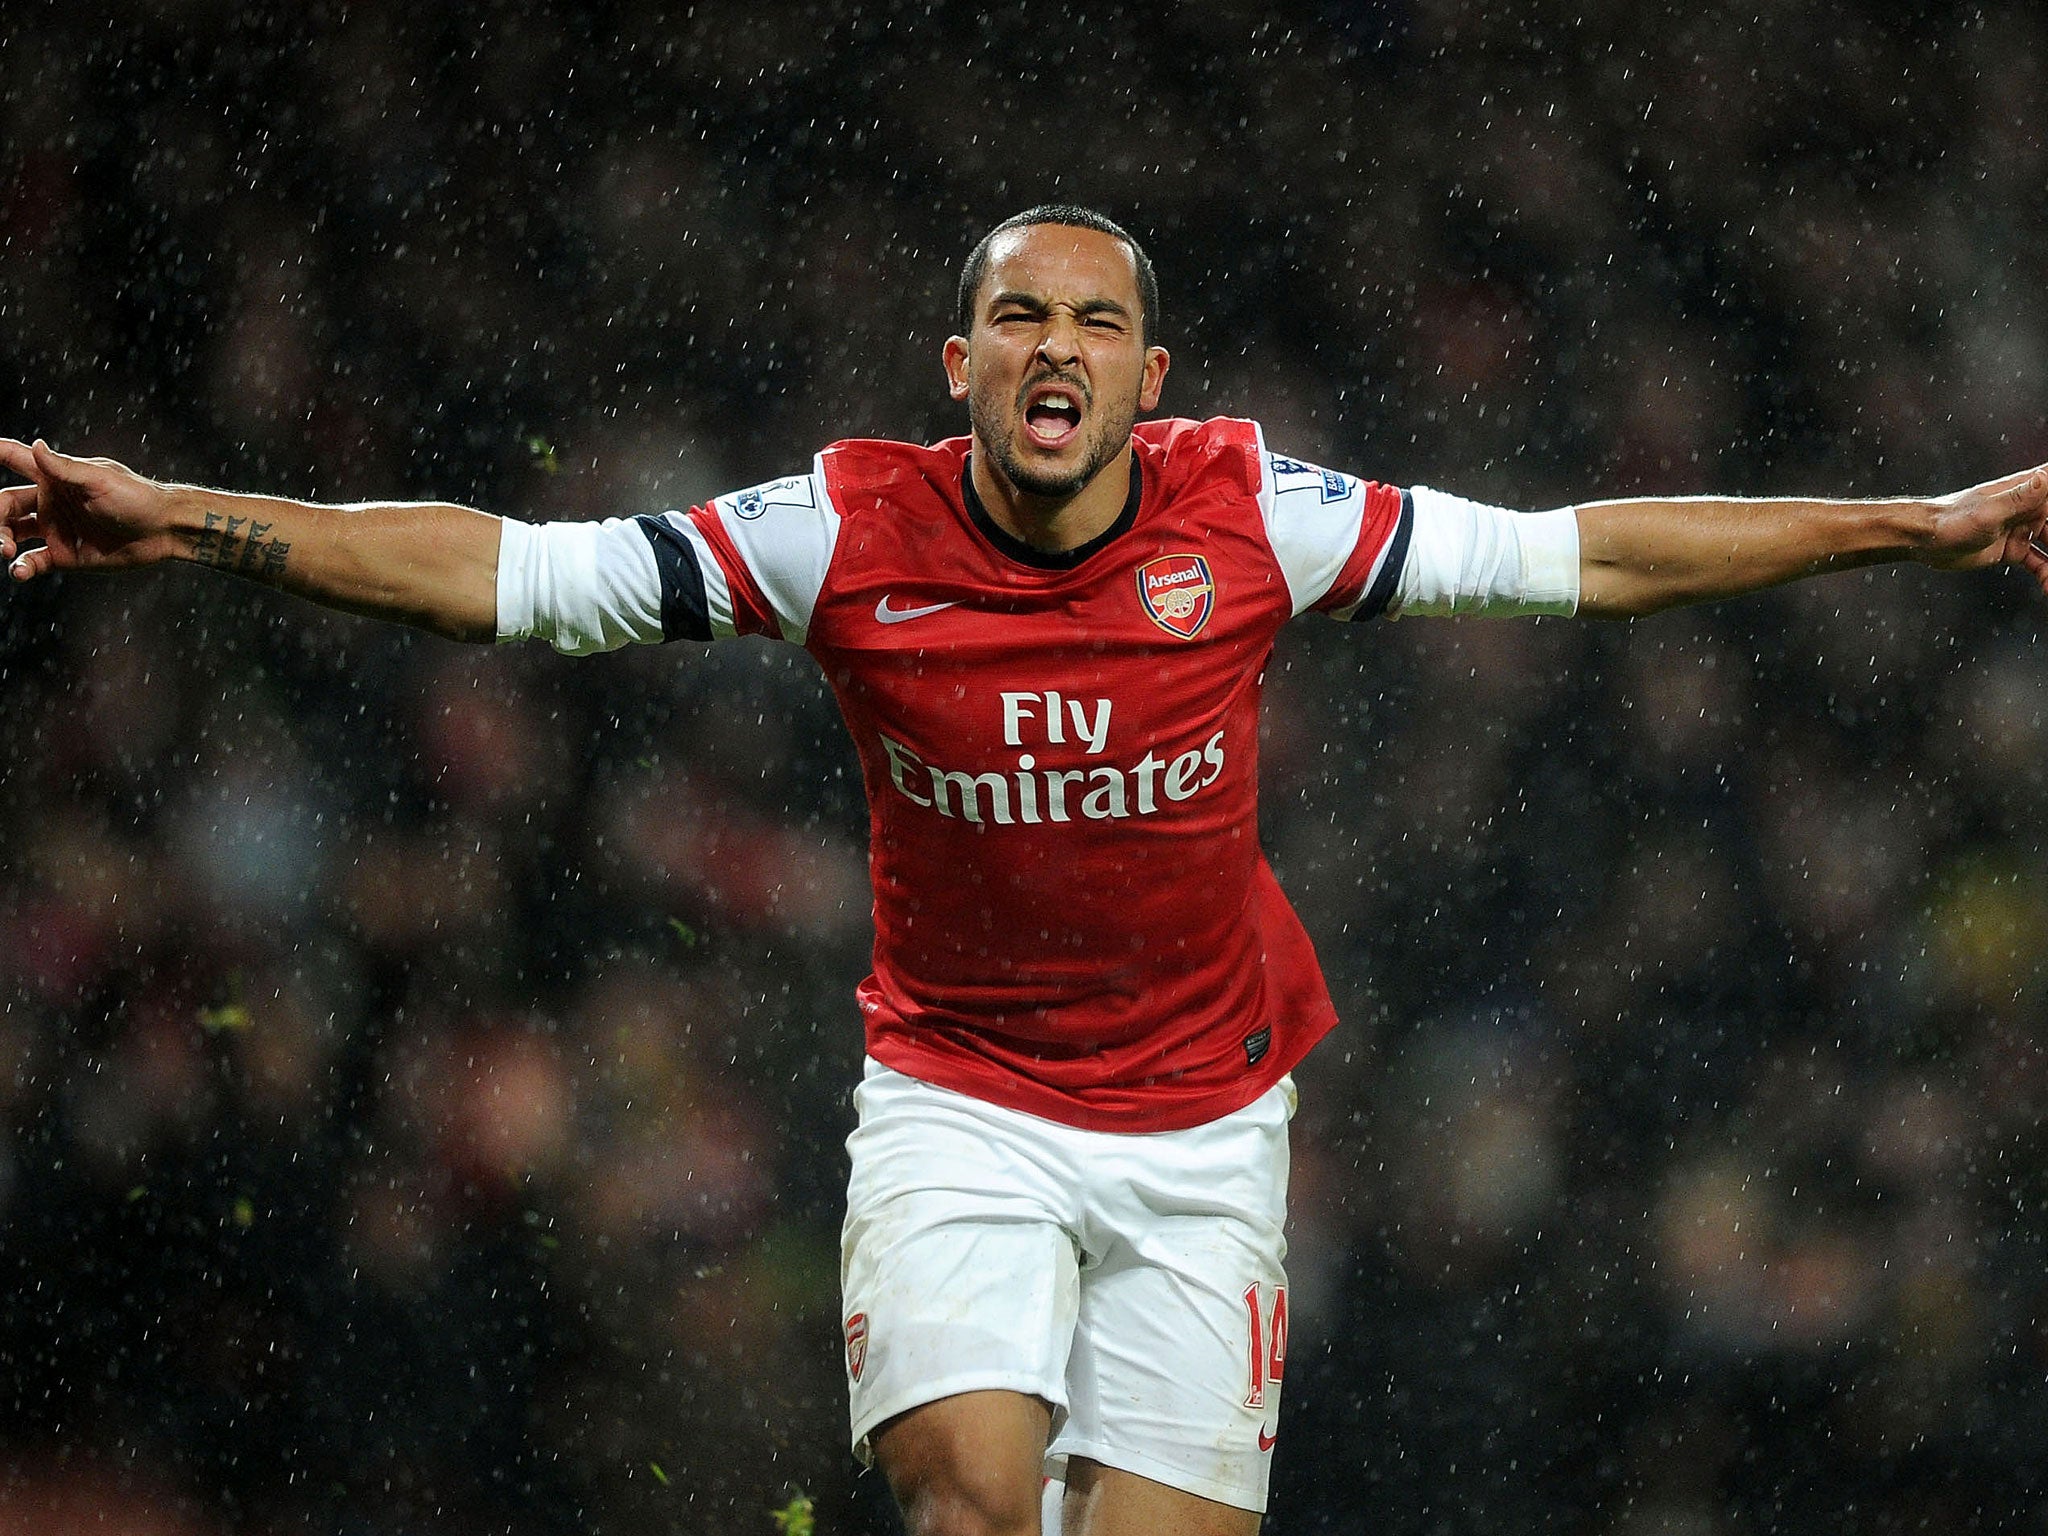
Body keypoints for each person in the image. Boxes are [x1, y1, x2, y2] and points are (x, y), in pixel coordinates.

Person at [4, 204, 2045, 1536]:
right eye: (1013, 314)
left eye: (1094, 319)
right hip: (963, 1102)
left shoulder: (1255, 513)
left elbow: (1585, 551)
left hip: (1204, 1124)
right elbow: (517, 581)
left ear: (1147, 384)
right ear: (958, 365)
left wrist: (1928, 521)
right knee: (973, 1501)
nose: (1052, 342)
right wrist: (181, 521)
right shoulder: (839, 532)